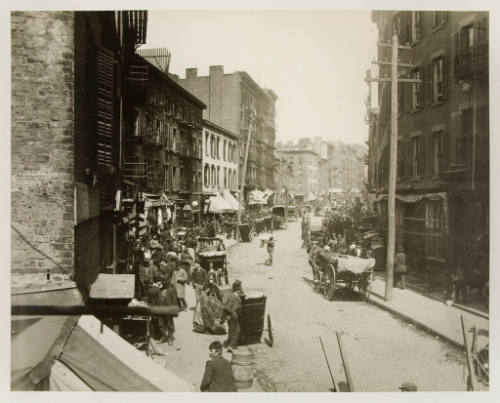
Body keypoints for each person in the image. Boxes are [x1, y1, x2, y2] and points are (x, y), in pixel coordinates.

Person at [221, 280, 243, 352]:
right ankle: (231, 346)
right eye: (240, 288)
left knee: (233, 331)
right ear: (238, 289)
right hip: (232, 317)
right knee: (236, 331)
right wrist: (233, 312)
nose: (241, 290)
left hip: (233, 317)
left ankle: (230, 344)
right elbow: (227, 307)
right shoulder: (232, 297)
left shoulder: (235, 296)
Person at [158, 274, 177, 345]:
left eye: (165, 283)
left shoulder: (171, 290)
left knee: (170, 324)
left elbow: (174, 301)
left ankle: (170, 337)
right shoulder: (160, 290)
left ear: (168, 283)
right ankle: (163, 337)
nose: (164, 284)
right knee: (161, 324)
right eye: (163, 283)